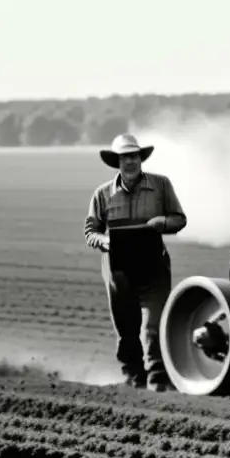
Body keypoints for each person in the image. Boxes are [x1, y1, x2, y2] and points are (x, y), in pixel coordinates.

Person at [83, 133, 187, 391]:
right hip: (118, 269)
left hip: (153, 265)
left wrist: (161, 223)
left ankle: (158, 378)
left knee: (154, 324)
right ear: (116, 162)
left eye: (134, 156)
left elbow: (179, 219)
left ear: (141, 158)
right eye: (124, 157)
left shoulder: (161, 186)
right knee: (126, 327)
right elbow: (90, 232)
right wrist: (105, 242)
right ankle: (133, 377)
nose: (130, 161)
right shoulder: (103, 194)